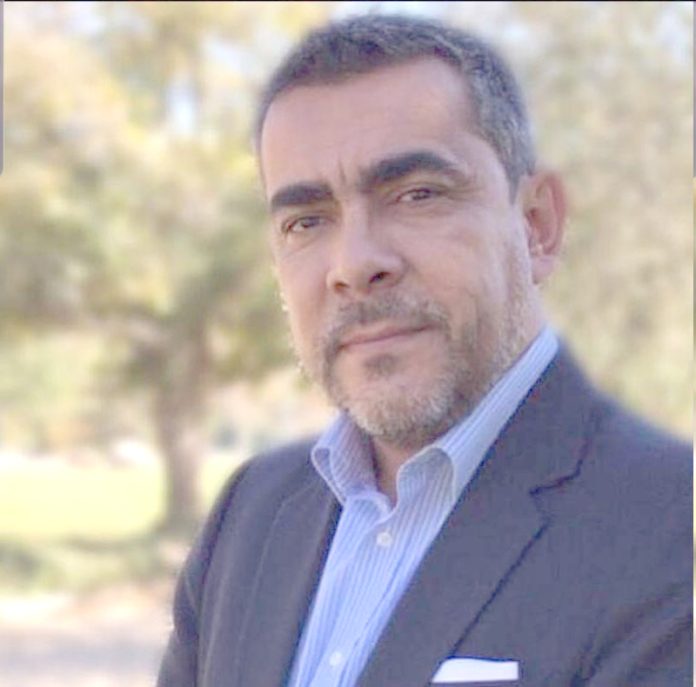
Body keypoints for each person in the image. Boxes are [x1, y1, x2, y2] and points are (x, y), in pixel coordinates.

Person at [157, 14, 692, 687]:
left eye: (417, 194)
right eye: (306, 220)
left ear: (537, 226)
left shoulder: (673, 524)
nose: (354, 265)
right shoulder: (252, 515)